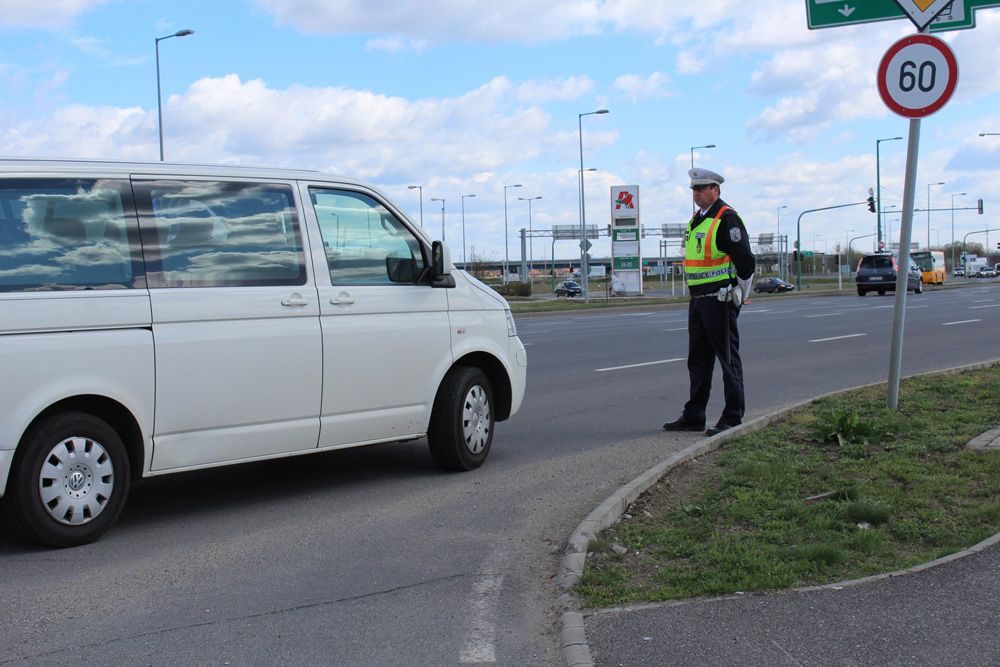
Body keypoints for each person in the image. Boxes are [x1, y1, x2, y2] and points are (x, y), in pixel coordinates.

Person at [663, 167, 755, 437]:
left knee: (728, 360)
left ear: (715, 190)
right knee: (698, 361)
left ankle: (732, 417)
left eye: (701, 189)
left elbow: (746, 264)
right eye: (693, 189)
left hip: (720, 300)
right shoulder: (697, 219)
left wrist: (741, 295)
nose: (696, 193)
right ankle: (694, 415)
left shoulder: (727, 219)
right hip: (699, 301)